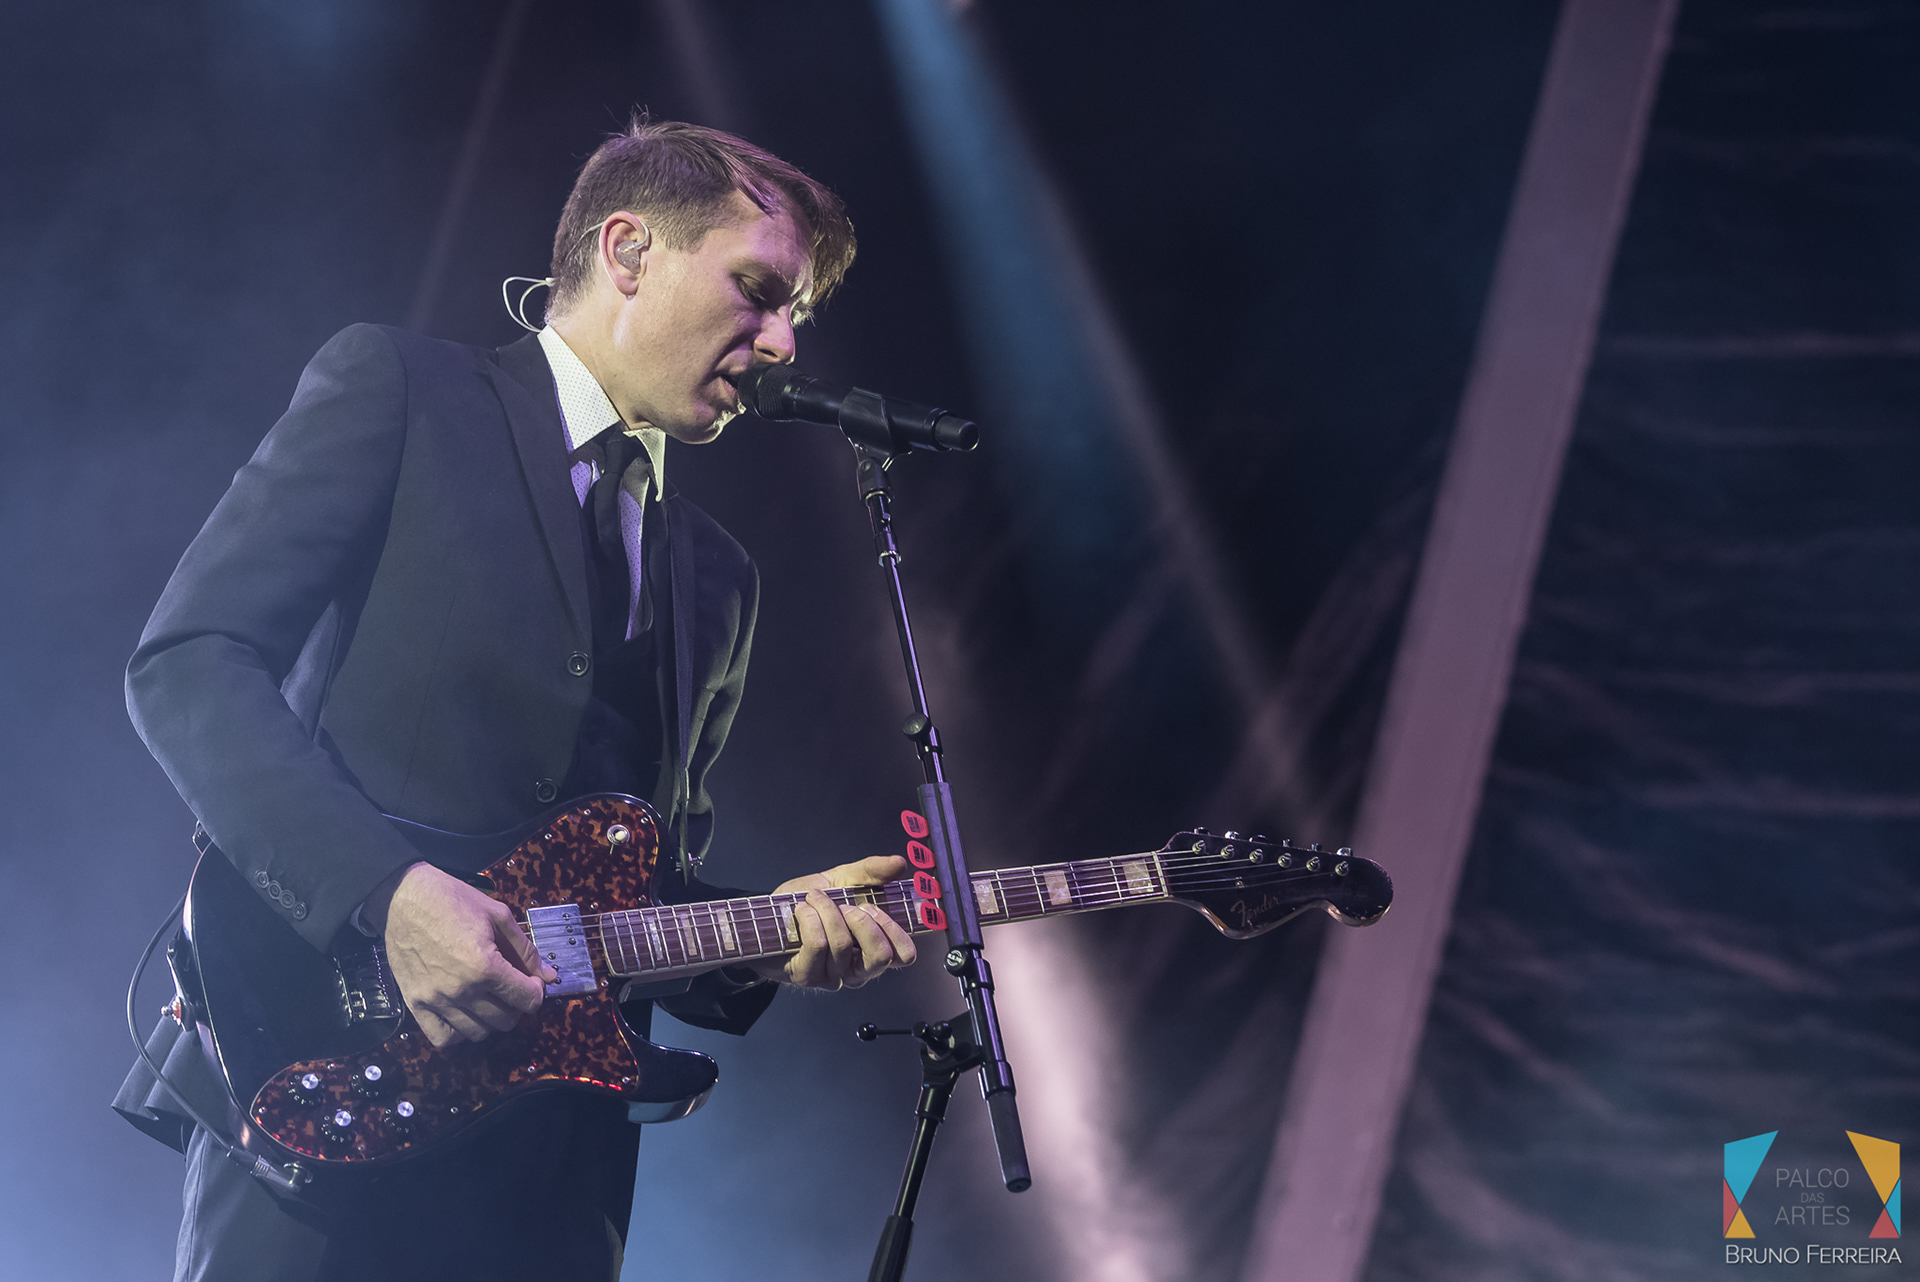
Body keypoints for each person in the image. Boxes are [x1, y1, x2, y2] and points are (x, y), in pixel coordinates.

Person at [115, 117, 916, 1282]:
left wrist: (772, 934)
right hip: (323, 1093)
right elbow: (189, 661)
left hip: (555, 1176)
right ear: (629, 250)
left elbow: (639, 887)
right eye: (758, 291)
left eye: (796, 315)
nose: (784, 342)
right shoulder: (404, 390)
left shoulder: (720, 577)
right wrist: (388, 895)